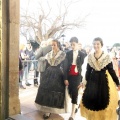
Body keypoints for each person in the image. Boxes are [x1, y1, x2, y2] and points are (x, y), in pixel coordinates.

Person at [80, 37, 120, 120]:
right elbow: (88, 71)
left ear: (101, 45)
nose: (96, 45)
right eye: (94, 44)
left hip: (104, 81)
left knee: (105, 102)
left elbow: (111, 71)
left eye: (98, 44)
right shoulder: (90, 56)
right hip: (93, 81)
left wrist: (117, 82)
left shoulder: (106, 57)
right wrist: (84, 82)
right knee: (92, 102)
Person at [35, 40, 66, 119]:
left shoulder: (62, 54)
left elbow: (65, 66)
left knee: (55, 91)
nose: (52, 47)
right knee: (47, 91)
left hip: (58, 74)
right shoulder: (49, 54)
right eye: (52, 45)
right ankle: (47, 111)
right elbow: (47, 64)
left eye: (54, 45)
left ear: (58, 45)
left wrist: (65, 77)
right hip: (48, 73)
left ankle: (53, 110)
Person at [64, 37, 85, 120]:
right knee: (69, 93)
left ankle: (72, 113)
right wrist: (65, 78)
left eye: (74, 44)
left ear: (77, 44)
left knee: (75, 93)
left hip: (77, 76)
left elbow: (83, 67)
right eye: (71, 45)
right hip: (69, 76)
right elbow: (65, 67)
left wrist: (82, 80)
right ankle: (75, 106)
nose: (72, 46)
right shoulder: (68, 53)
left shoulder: (82, 54)